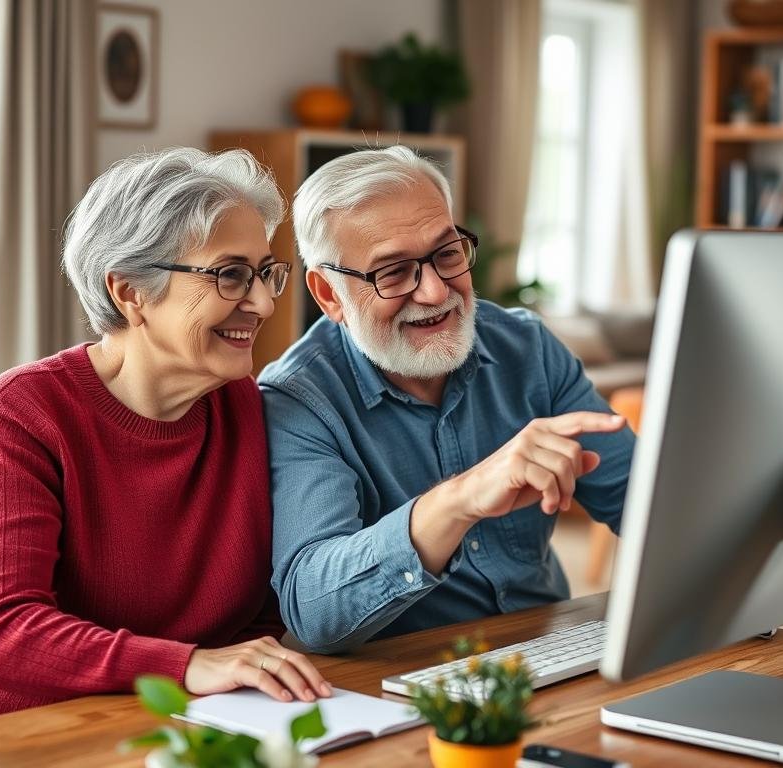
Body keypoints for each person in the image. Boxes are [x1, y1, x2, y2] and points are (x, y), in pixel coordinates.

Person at [0, 148, 330, 732]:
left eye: (266, 272)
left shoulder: (247, 409)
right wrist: (188, 667)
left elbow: (259, 616)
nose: (262, 302)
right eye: (231, 274)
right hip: (17, 740)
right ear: (131, 291)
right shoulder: (21, 417)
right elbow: (1, 633)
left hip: (180, 730)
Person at [259, 146, 635, 654]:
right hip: (409, 685)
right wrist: (460, 500)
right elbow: (314, 610)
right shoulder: (299, 399)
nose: (436, 292)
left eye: (447, 254)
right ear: (329, 296)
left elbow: (643, 504)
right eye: (392, 273)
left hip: (555, 652)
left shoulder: (527, 348)